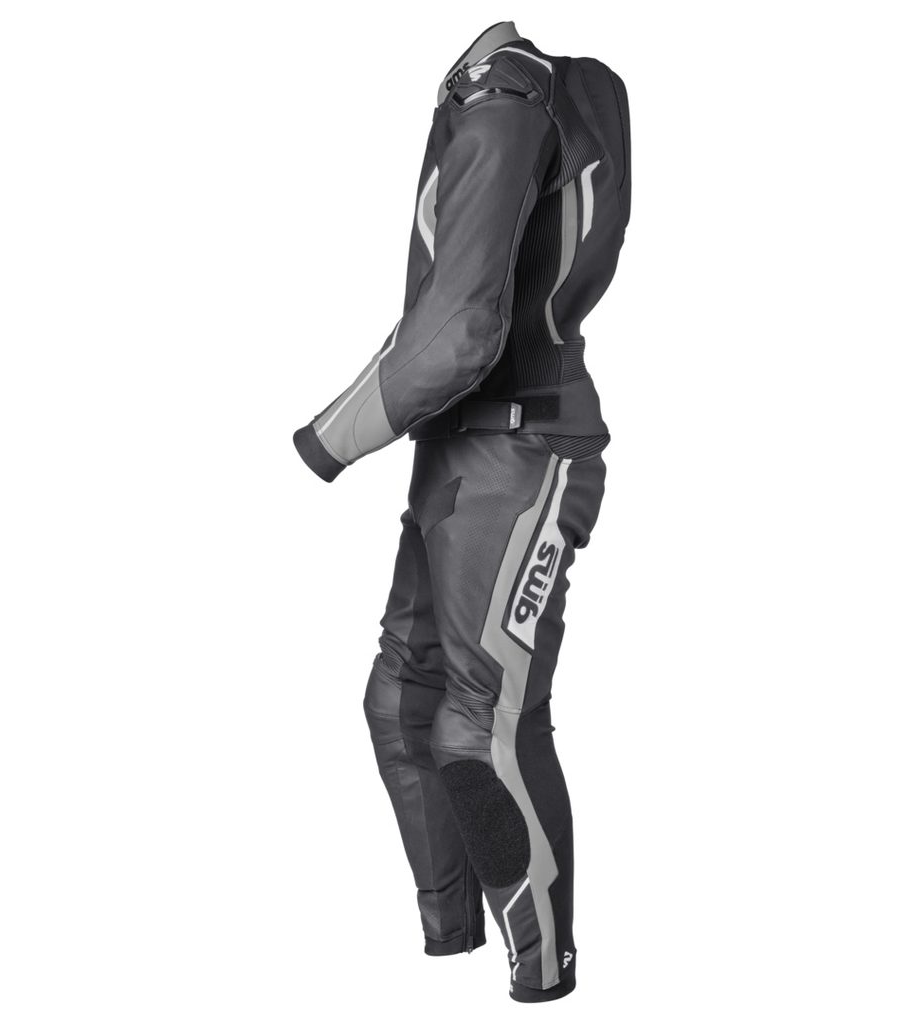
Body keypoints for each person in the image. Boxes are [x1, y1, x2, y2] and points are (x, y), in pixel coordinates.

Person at [293, 20, 631, 1002]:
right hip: (461, 445)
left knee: (481, 731)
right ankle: (452, 940)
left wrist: (324, 440)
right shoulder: (519, 90)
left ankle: (544, 970)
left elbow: (455, 334)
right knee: (400, 704)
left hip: (519, 455)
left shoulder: (505, 97)